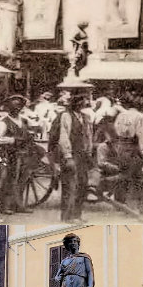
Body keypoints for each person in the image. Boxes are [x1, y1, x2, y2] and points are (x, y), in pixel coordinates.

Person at [50, 84, 94, 223]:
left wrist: (89, 151)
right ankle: (67, 216)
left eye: (83, 101)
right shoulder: (66, 116)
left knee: (82, 184)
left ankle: (77, 215)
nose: (82, 103)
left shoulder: (85, 117)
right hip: (70, 155)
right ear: (73, 102)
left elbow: (88, 136)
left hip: (82, 155)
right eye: (78, 100)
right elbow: (63, 136)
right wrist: (67, 156)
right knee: (70, 185)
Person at [0, 96, 33, 214]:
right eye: (14, 106)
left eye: (19, 106)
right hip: (9, 154)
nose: (17, 108)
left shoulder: (24, 121)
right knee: (8, 180)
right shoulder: (3, 122)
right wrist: (12, 140)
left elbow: (28, 134)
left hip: (23, 154)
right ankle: (5, 206)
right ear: (9, 108)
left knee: (22, 180)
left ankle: (18, 204)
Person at [111, 93, 143, 206]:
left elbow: (116, 128)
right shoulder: (141, 117)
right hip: (133, 146)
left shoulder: (121, 115)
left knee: (122, 172)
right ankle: (132, 201)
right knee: (135, 174)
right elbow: (142, 136)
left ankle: (119, 199)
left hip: (121, 145)